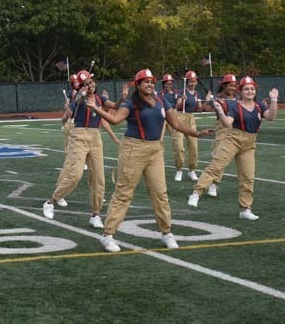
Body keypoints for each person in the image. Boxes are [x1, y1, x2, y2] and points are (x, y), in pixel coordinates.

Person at [85, 69, 213, 252]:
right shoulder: (131, 102)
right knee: (124, 193)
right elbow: (114, 119)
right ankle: (108, 235)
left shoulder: (161, 101)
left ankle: (166, 232)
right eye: (145, 82)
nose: (150, 85)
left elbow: (176, 123)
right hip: (133, 149)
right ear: (137, 85)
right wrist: (96, 108)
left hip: (155, 151)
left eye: (152, 82)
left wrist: (197, 133)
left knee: (160, 193)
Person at [188, 76, 278, 220]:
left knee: (247, 177)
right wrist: (220, 111)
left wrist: (274, 100)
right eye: (246, 89)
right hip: (233, 139)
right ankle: (196, 193)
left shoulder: (258, 106)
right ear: (241, 91)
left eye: (252, 89)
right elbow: (226, 123)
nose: (249, 91)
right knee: (216, 166)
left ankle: (245, 209)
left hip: (249, 144)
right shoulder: (235, 106)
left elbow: (272, 117)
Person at [43, 70, 123, 228]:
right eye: (87, 83)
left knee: (99, 178)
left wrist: (123, 97)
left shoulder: (100, 99)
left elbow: (114, 106)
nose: (91, 85)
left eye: (92, 82)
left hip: (95, 138)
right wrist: (79, 96)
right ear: (81, 86)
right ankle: (50, 202)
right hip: (79, 136)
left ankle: (96, 214)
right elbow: (66, 115)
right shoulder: (78, 99)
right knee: (75, 174)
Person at [207, 73, 241, 197]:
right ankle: (213, 184)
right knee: (219, 156)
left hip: (236, 128)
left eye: (234, 85)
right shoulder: (217, 97)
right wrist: (210, 100)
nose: (233, 88)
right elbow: (208, 107)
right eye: (230, 85)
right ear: (224, 85)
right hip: (221, 127)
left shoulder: (238, 98)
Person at [173, 71, 204, 182]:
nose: (192, 83)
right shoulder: (182, 92)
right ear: (187, 82)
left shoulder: (197, 94)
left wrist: (207, 101)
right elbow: (177, 106)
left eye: (194, 81)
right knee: (179, 146)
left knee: (193, 145)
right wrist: (183, 100)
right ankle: (179, 169)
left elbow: (200, 110)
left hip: (191, 118)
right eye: (190, 81)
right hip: (180, 117)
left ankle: (192, 170)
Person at [159, 74, 183, 181]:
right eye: (167, 83)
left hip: (174, 115)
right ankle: (158, 165)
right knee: (158, 141)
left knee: (178, 144)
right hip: (162, 116)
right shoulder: (160, 94)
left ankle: (179, 169)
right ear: (163, 84)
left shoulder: (177, 94)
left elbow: (179, 106)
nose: (169, 85)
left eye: (170, 83)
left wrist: (181, 101)